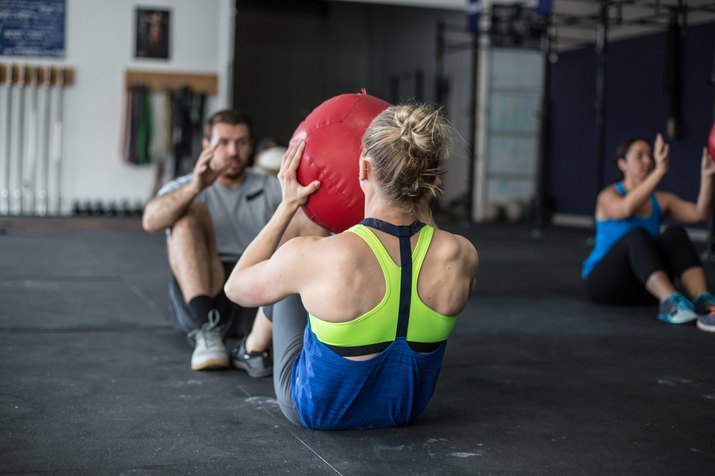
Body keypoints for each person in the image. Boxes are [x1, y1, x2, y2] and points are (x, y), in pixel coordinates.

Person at [225, 103, 479, 430]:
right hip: (403, 411)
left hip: (316, 413)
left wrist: (287, 207)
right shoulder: (462, 255)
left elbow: (236, 288)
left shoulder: (318, 256)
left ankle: (251, 349)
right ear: (429, 177)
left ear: (363, 169)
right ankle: (253, 347)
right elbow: (417, 242)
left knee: (291, 276)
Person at [142, 109, 322, 372]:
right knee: (187, 214)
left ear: (250, 145)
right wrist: (196, 186)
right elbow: (150, 222)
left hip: (257, 290)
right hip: (207, 289)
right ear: (207, 146)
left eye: (241, 142)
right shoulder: (186, 185)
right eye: (223, 143)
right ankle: (207, 332)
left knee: (304, 212)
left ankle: (316, 321)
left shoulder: (271, 186)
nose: (233, 151)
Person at [582, 134, 715, 333]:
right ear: (622, 164)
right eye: (639, 156)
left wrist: (707, 177)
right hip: (604, 285)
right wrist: (660, 171)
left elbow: (700, 213)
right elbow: (625, 209)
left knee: (674, 234)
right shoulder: (608, 196)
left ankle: (705, 302)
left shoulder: (661, 200)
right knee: (637, 235)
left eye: (649, 155)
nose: (648, 160)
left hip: (642, 286)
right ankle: (670, 303)